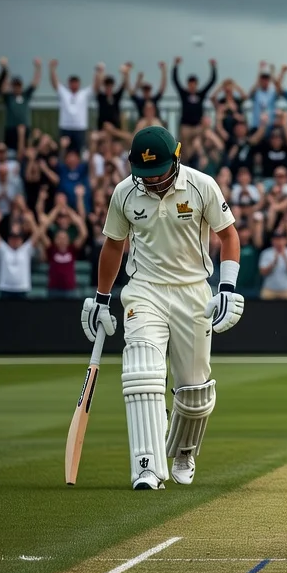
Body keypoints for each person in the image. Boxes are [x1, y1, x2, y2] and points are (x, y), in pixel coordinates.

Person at [81, 125, 244, 490]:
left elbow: (229, 235)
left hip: (193, 292)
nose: (151, 183)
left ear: (176, 158)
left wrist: (228, 288)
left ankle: (184, 450)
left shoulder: (202, 185)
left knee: (194, 391)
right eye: (144, 176)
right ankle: (147, 467)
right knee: (142, 369)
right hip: (145, 291)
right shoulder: (125, 192)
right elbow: (113, 245)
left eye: (158, 175)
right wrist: (102, 298)